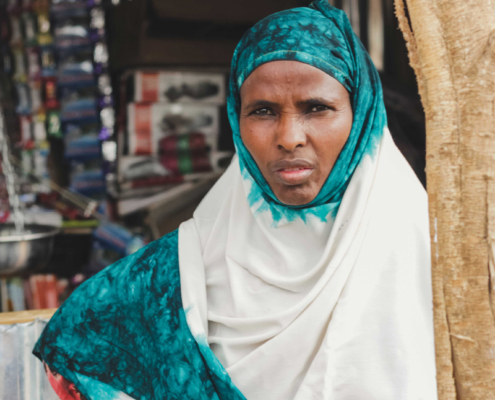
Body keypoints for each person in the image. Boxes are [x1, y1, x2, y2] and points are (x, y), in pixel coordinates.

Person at [34, 1, 438, 399]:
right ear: (235, 118)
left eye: (317, 108)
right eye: (262, 111)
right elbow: (79, 343)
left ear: (362, 115)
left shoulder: (431, 259)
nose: (289, 136)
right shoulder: (175, 273)